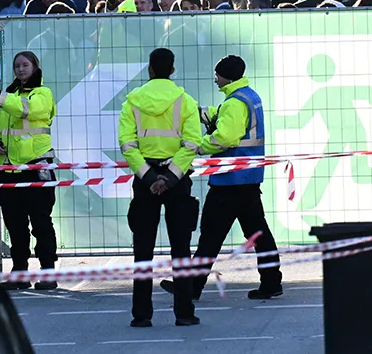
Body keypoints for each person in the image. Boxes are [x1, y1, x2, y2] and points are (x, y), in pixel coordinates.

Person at [162, 56, 283, 302]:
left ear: (226, 76)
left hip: (229, 179)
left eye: (217, 75)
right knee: (258, 233)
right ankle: (272, 282)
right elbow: (220, 116)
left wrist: (197, 146)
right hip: (247, 178)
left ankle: (191, 287)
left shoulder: (235, 103)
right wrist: (197, 113)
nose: (215, 79)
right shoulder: (248, 96)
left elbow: (224, 138)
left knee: (211, 234)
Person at [119, 48, 202, 328]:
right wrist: (169, 178)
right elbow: (192, 144)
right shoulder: (185, 101)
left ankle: (141, 314)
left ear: (150, 69)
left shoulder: (133, 100)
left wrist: (150, 177)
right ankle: (184, 313)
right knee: (181, 248)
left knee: (143, 250)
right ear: (173, 70)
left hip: (146, 182)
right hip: (177, 181)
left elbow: (127, 145)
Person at [0, 51, 58, 290]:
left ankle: (48, 272)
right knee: (15, 226)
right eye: (17, 66)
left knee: (41, 224)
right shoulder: (9, 96)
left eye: (25, 65)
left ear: (35, 67)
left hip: (35, 168)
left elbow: (27, 110)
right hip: (9, 169)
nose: (20, 69)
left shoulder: (42, 94)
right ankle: (20, 272)